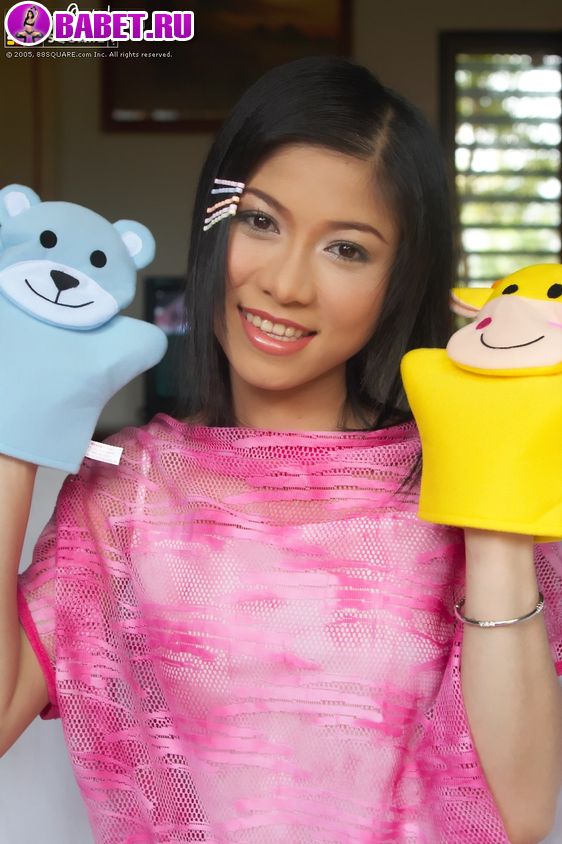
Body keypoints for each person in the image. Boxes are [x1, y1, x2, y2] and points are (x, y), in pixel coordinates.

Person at [1, 56, 561, 844]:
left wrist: (489, 490)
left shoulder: (457, 488)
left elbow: (519, 816)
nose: (287, 284)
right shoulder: (123, 488)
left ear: (400, 280)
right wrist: (15, 431)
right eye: (260, 221)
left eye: (348, 250)